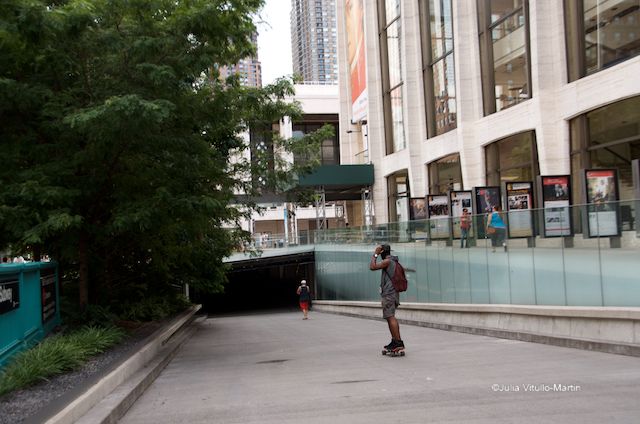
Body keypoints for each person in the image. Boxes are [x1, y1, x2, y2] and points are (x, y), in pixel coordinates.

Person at [369, 244, 404, 353]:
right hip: (392, 293)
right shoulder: (393, 261)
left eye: (380, 252)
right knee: (389, 317)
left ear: (382, 252)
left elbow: (372, 267)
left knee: (390, 317)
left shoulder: (387, 262)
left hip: (389, 294)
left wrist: (375, 254)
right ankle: (395, 341)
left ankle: (398, 342)